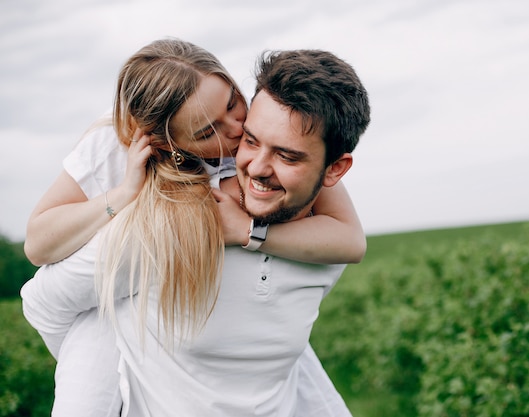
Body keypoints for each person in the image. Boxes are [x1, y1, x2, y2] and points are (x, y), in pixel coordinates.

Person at [20, 39, 365, 416]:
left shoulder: (284, 148)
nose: (236, 131)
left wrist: (248, 231)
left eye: (234, 104)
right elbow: (41, 266)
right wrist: (122, 196)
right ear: (170, 144)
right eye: (207, 132)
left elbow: (350, 241)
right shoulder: (133, 176)